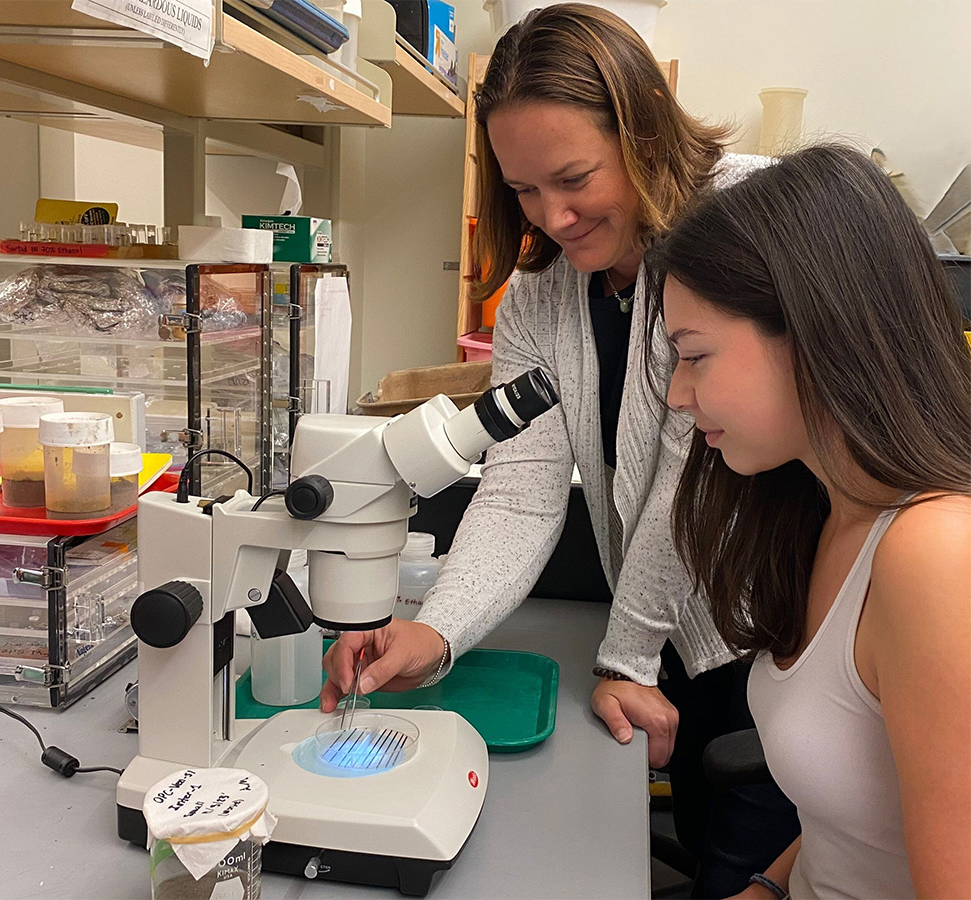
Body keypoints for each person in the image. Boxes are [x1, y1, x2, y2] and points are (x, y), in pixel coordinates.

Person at [319, 4, 798, 893]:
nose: (555, 215)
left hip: (771, 629)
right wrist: (437, 630)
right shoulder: (544, 288)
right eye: (525, 189)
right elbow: (522, 488)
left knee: (753, 863)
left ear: (644, 130)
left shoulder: (741, 218)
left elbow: (696, 478)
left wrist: (624, 656)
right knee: (701, 841)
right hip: (663, 637)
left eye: (574, 176)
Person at [648, 144, 971, 898]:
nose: (678, 395)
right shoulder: (823, 512)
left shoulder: (933, 555)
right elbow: (862, 814)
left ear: (815, 335)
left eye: (694, 356)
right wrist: (766, 885)